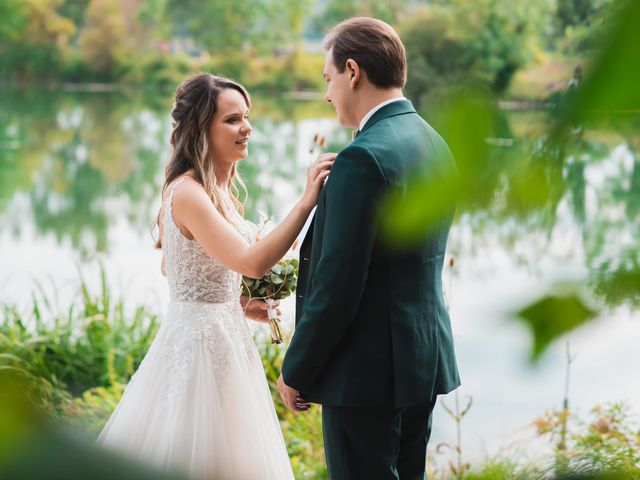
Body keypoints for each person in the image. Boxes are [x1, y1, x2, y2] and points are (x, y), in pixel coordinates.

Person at [97, 73, 334, 480]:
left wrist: (240, 304)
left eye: (246, 117)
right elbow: (251, 262)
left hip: (225, 338)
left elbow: (175, 267)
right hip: (198, 349)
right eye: (232, 120)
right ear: (199, 128)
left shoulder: (217, 190)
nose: (247, 128)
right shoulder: (188, 191)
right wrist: (306, 202)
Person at [278, 17, 461, 479]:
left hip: (363, 375)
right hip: (422, 360)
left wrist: (297, 368)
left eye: (328, 78)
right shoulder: (434, 143)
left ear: (352, 72)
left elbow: (338, 285)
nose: (327, 93)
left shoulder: (362, 158)